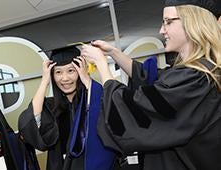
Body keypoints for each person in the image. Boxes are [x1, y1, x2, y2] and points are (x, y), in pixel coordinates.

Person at [81, 0, 221, 169]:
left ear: (193, 22)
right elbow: (153, 82)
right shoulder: (201, 72)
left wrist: (102, 66)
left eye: (168, 22)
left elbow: (136, 111)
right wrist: (113, 53)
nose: (161, 30)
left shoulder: (195, 79)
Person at [18, 45, 115, 170]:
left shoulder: (94, 99)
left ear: (80, 71)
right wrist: (44, 81)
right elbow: (29, 125)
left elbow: (113, 114)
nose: (65, 78)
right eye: (58, 72)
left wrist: (87, 80)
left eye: (71, 71)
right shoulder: (50, 106)